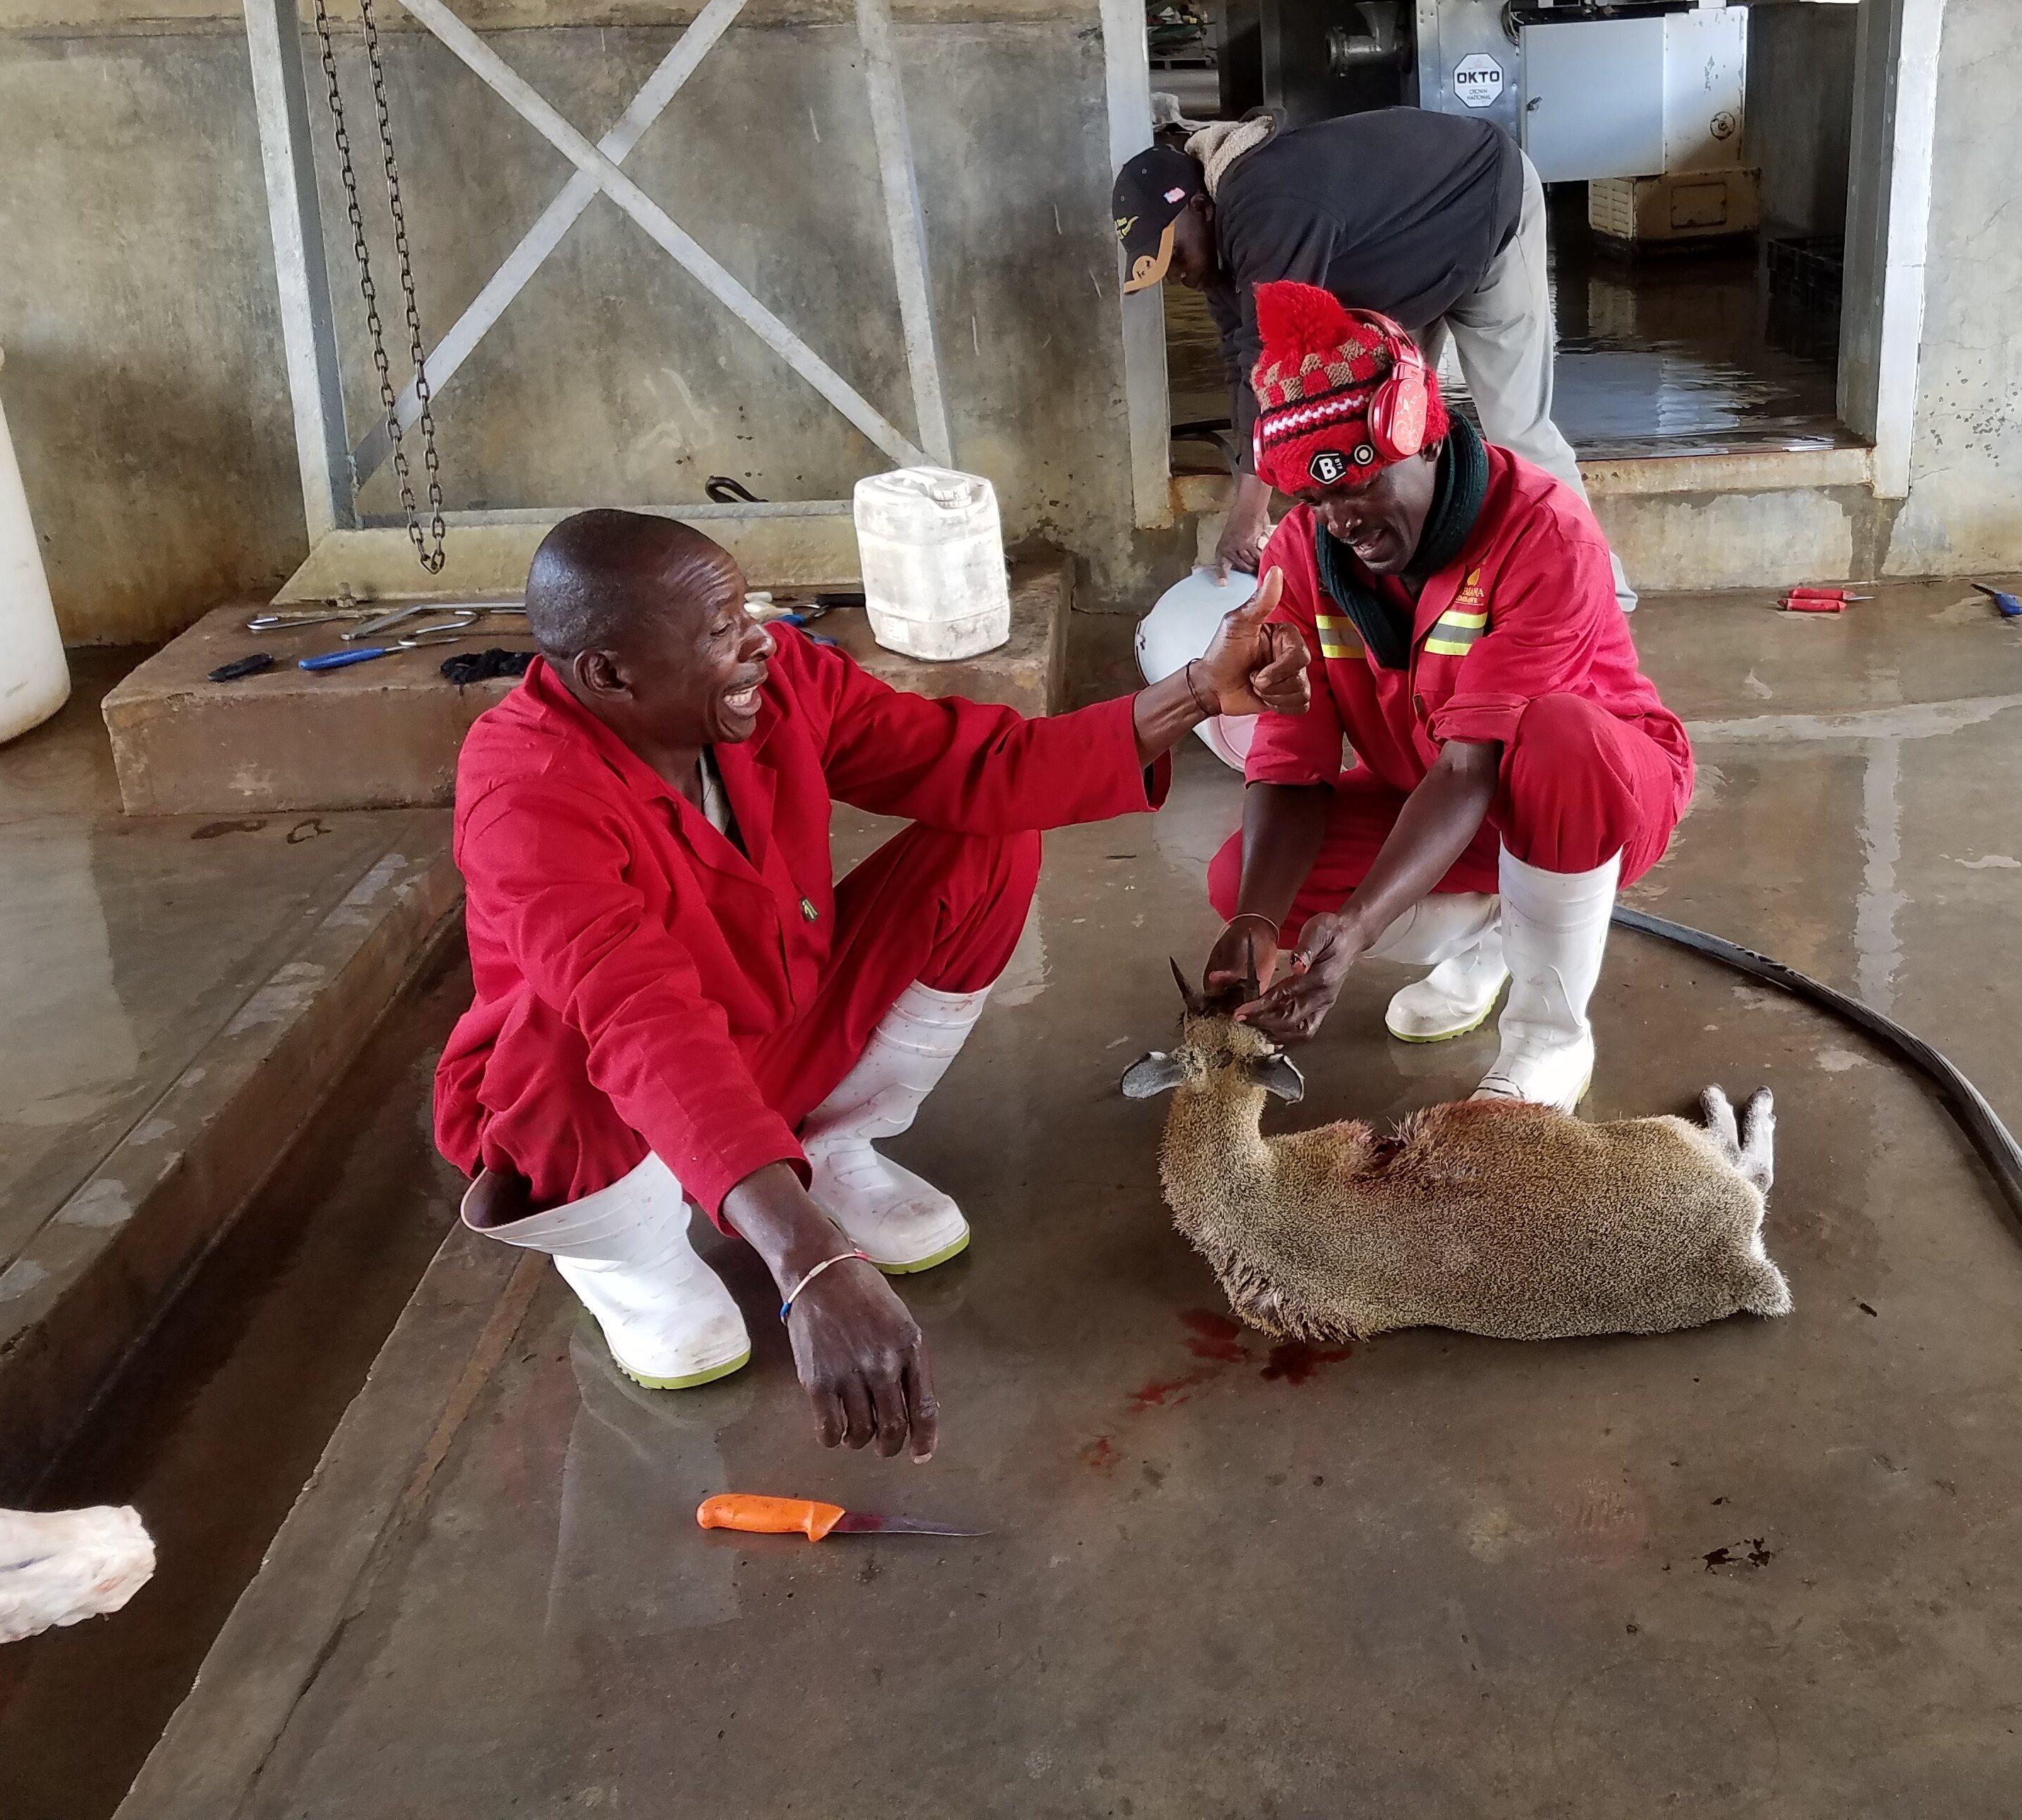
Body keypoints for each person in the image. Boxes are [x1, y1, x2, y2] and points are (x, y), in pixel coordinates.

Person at [436, 510, 1307, 1458]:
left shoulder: (774, 686)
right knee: (566, 1025)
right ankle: (636, 1258)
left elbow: (983, 766)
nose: (756, 641)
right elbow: (640, 1021)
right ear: (609, 674)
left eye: (748, 612)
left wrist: (1196, 693)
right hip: (599, 1114)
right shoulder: (523, 784)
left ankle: (832, 1143)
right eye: (719, 630)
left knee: (988, 840)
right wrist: (810, 1265)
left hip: (763, 1036)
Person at [1197, 279, 1690, 1106]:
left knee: (1559, 731)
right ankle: (1501, 931)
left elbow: (1471, 769)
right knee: (1242, 879)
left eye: (1360, 483)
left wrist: (1358, 930)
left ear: (1425, 441)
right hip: (1441, 803)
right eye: (1319, 497)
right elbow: (1292, 765)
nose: (1342, 520)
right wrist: (1254, 926)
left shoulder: (1542, 529)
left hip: (1591, 797)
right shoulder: (1306, 551)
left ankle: (1548, 1035)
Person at [1114, 106, 1633, 607]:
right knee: (1385, 439)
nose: (1179, 275)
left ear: (1199, 208)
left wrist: (1249, 515)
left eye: (1176, 254)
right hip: (1406, 267)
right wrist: (1248, 499)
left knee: (1516, 432)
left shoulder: (1264, 203)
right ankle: (1415, 601)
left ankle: (1601, 597)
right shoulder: (1219, 258)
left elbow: (1270, 356)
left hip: (1485, 204)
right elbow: (1245, 368)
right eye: (1165, 270)